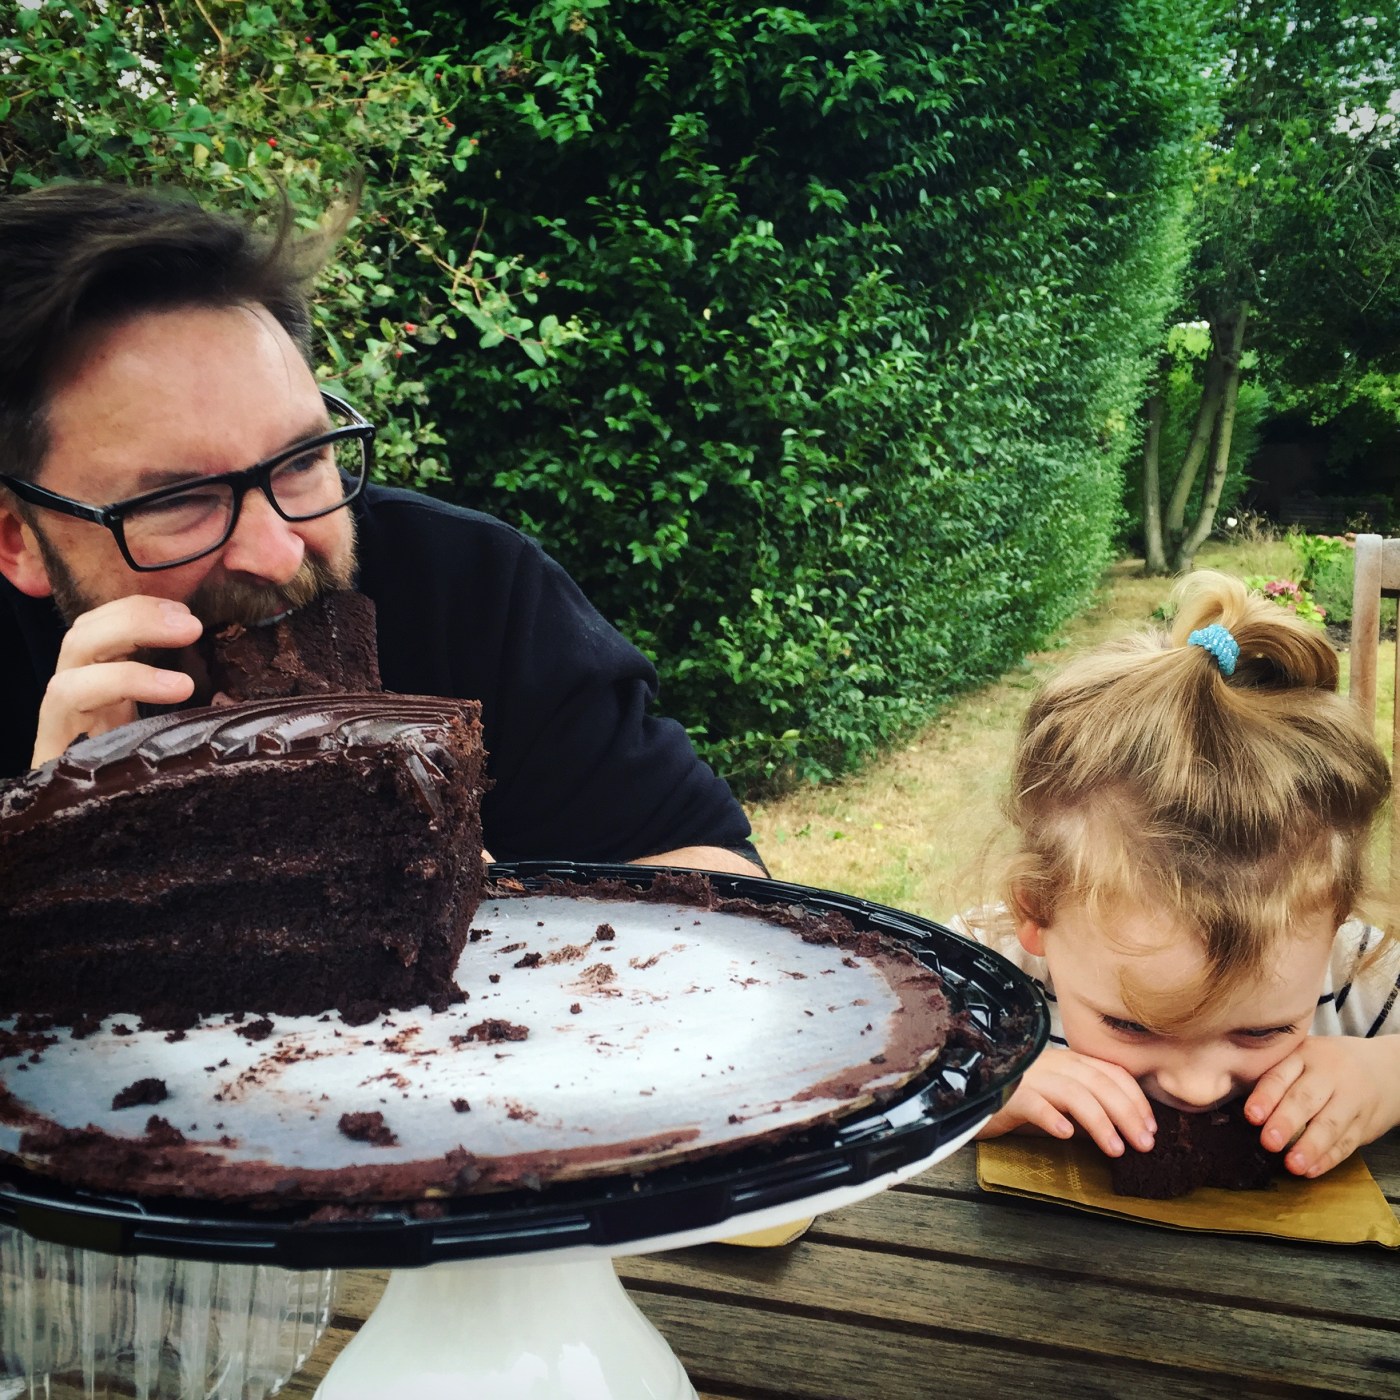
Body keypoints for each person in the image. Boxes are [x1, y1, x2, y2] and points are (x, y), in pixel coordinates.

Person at [0, 181, 761, 876]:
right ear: (17, 538)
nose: (279, 551)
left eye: (301, 460)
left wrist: (507, 917)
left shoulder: (471, 590)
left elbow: (728, 878)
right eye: (178, 499)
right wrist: (44, 862)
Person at [961, 571, 1400, 1180]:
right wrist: (963, 1086)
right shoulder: (981, 975)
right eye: (1131, 1025)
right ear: (1036, 912)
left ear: (1337, 920)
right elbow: (853, 1045)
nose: (1195, 1087)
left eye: (1263, 1031)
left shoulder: (1355, 975)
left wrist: (1388, 1075)